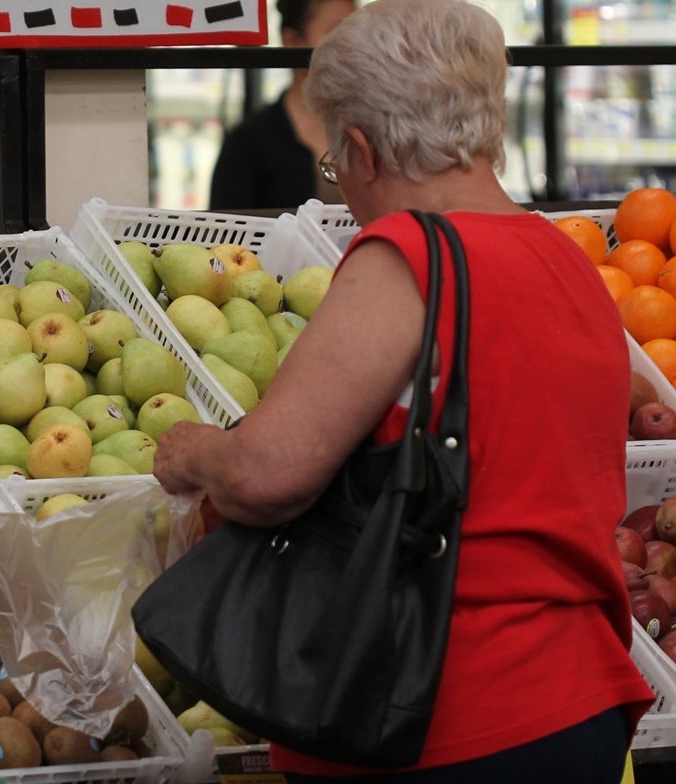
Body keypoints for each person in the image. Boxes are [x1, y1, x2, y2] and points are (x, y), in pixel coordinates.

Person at [154, 0, 655, 780]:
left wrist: (199, 455)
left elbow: (268, 475)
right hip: (580, 705)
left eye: (335, 165)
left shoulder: (409, 255)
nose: (344, 187)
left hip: (438, 716)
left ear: (361, 146)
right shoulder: (571, 266)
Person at [208, 0, 355, 210]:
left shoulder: (374, 130)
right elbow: (225, 236)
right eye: (336, 33)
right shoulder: (248, 142)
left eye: (356, 33)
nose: (352, 46)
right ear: (292, 40)